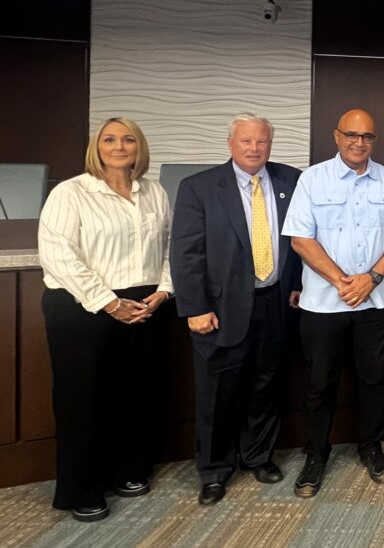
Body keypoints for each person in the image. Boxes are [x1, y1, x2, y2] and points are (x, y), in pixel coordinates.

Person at [37, 117, 173, 522]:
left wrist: (164, 290)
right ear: (97, 147)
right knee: (84, 400)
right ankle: (82, 488)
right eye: (109, 139)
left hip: (146, 304)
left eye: (128, 139)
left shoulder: (155, 192)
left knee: (136, 395)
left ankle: (129, 470)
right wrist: (108, 302)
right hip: (83, 306)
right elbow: (58, 255)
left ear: (140, 147)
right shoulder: (72, 192)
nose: (119, 146)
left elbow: (170, 247)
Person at [170, 114, 302, 505]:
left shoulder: (290, 181)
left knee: (267, 385)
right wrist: (194, 306)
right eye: (246, 141)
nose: (254, 148)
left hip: (276, 302)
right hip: (220, 309)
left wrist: (296, 284)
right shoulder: (199, 187)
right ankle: (213, 470)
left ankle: (258, 456)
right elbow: (186, 251)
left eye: (261, 141)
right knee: (217, 393)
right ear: (230, 143)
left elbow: (302, 237)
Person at [283, 108, 384, 497]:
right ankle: (316, 454)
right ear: (336, 136)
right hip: (324, 304)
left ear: (375, 140)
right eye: (352, 135)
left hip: (376, 303)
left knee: (373, 379)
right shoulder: (312, 179)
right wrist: (343, 282)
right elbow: (300, 239)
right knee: (320, 384)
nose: (359, 143)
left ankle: (372, 448)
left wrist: (370, 279)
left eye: (367, 137)